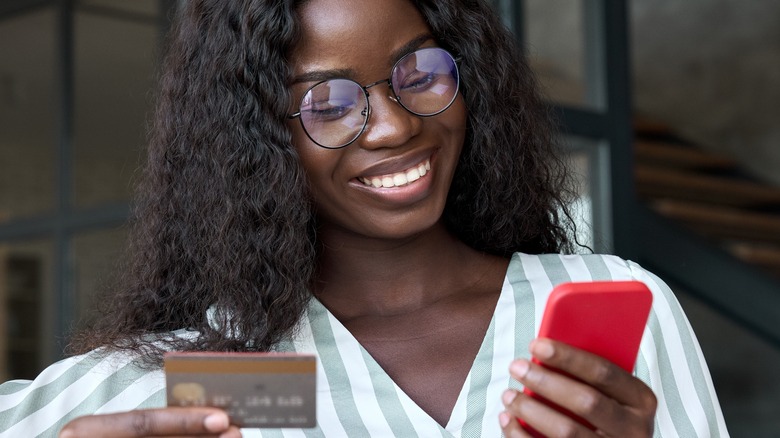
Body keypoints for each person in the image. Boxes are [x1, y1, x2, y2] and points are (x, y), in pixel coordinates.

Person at [0, 0, 728, 437]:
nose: (391, 128)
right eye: (328, 104)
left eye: (421, 74)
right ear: (260, 137)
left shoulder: (612, 307)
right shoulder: (245, 374)